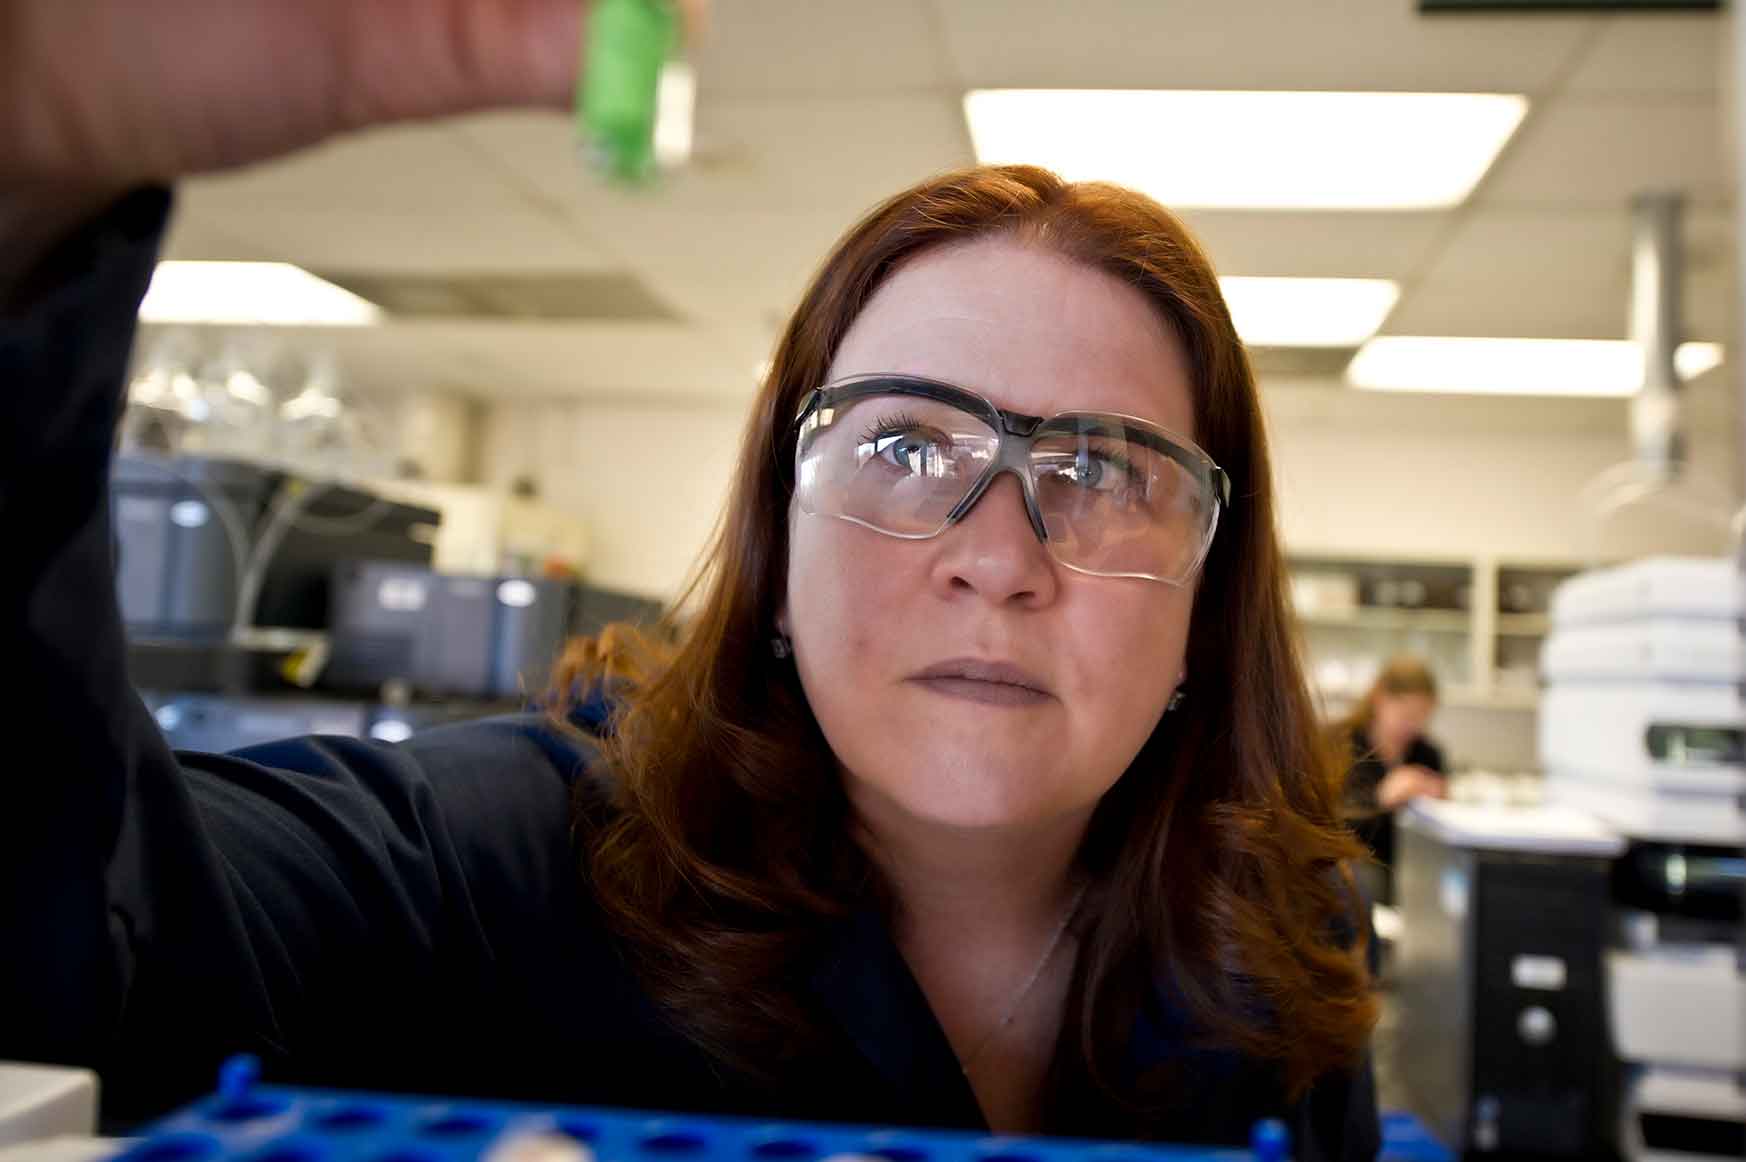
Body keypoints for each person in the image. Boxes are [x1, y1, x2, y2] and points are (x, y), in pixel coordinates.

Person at [2, 3, 1379, 1155]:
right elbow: (83, 941)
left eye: (1101, 470)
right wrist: (29, 174)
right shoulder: (508, 864)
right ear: (777, 556)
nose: (998, 558)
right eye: (905, 446)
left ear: (1207, 598)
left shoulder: (1272, 942)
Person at [1335, 657, 1449, 902]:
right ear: (1379, 700)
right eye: (1406, 714)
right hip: (1358, 868)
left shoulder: (1427, 755)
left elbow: (1437, 838)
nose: (1413, 725)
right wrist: (1381, 797)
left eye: (1422, 716)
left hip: (1410, 868)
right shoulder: (1343, 746)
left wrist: (1441, 804)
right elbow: (1333, 827)